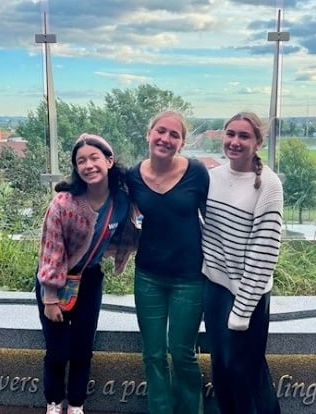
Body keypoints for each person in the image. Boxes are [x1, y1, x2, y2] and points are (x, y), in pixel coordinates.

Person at [35, 133, 136, 414]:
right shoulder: (64, 203)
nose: (88, 165)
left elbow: (133, 229)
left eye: (94, 158)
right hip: (55, 280)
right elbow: (50, 251)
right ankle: (54, 402)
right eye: (81, 161)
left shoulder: (121, 201)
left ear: (109, 161)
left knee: (82, 348)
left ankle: (76, 404)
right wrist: (51, 297)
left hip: (90, 280)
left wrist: (120, 252)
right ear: (76, 168)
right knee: (58, 350)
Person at [126, 110, 209, 414]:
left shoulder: (197, 173)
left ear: (182, 143)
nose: (166, 138)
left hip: (189, 279)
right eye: (161, 131)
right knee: (153, 355)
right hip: (148, 277)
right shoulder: (132, 176)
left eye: (175, 135)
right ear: (148, 134)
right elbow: (102, 196)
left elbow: (216, 218)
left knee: (182, 353)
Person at [201, 112, 283, 414]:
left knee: (247, 376)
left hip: (246, 296)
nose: (235, 141)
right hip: (215, 291)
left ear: (258, 142)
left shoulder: (269, 185)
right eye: (230, 134)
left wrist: (242, 310)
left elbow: (264, 253)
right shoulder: (213, 178)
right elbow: (207, 232)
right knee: (221, 371)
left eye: (244, 136)